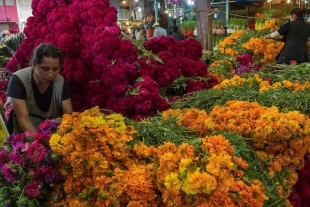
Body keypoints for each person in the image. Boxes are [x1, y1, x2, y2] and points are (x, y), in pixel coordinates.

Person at [4, 43, 73, 134]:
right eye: (45, 69)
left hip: (51, 135)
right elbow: (24, 120)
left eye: (56, 69)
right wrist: (42, 142)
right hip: (22, 134)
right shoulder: (18, 80)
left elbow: (68, 116)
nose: (50, 75)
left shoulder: (61, 82)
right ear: (33, 64)